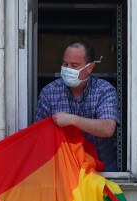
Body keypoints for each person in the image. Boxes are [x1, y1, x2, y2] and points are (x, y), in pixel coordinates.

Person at [34, 41, 120, 171]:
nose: (68, 69)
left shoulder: (104, 90)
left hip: (101, 174)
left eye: (74, 65)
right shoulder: (49, 92)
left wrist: (71, 120)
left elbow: (108, 128)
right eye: (65, 64)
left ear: (89, 67)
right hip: (64, 175)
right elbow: (38, 139)